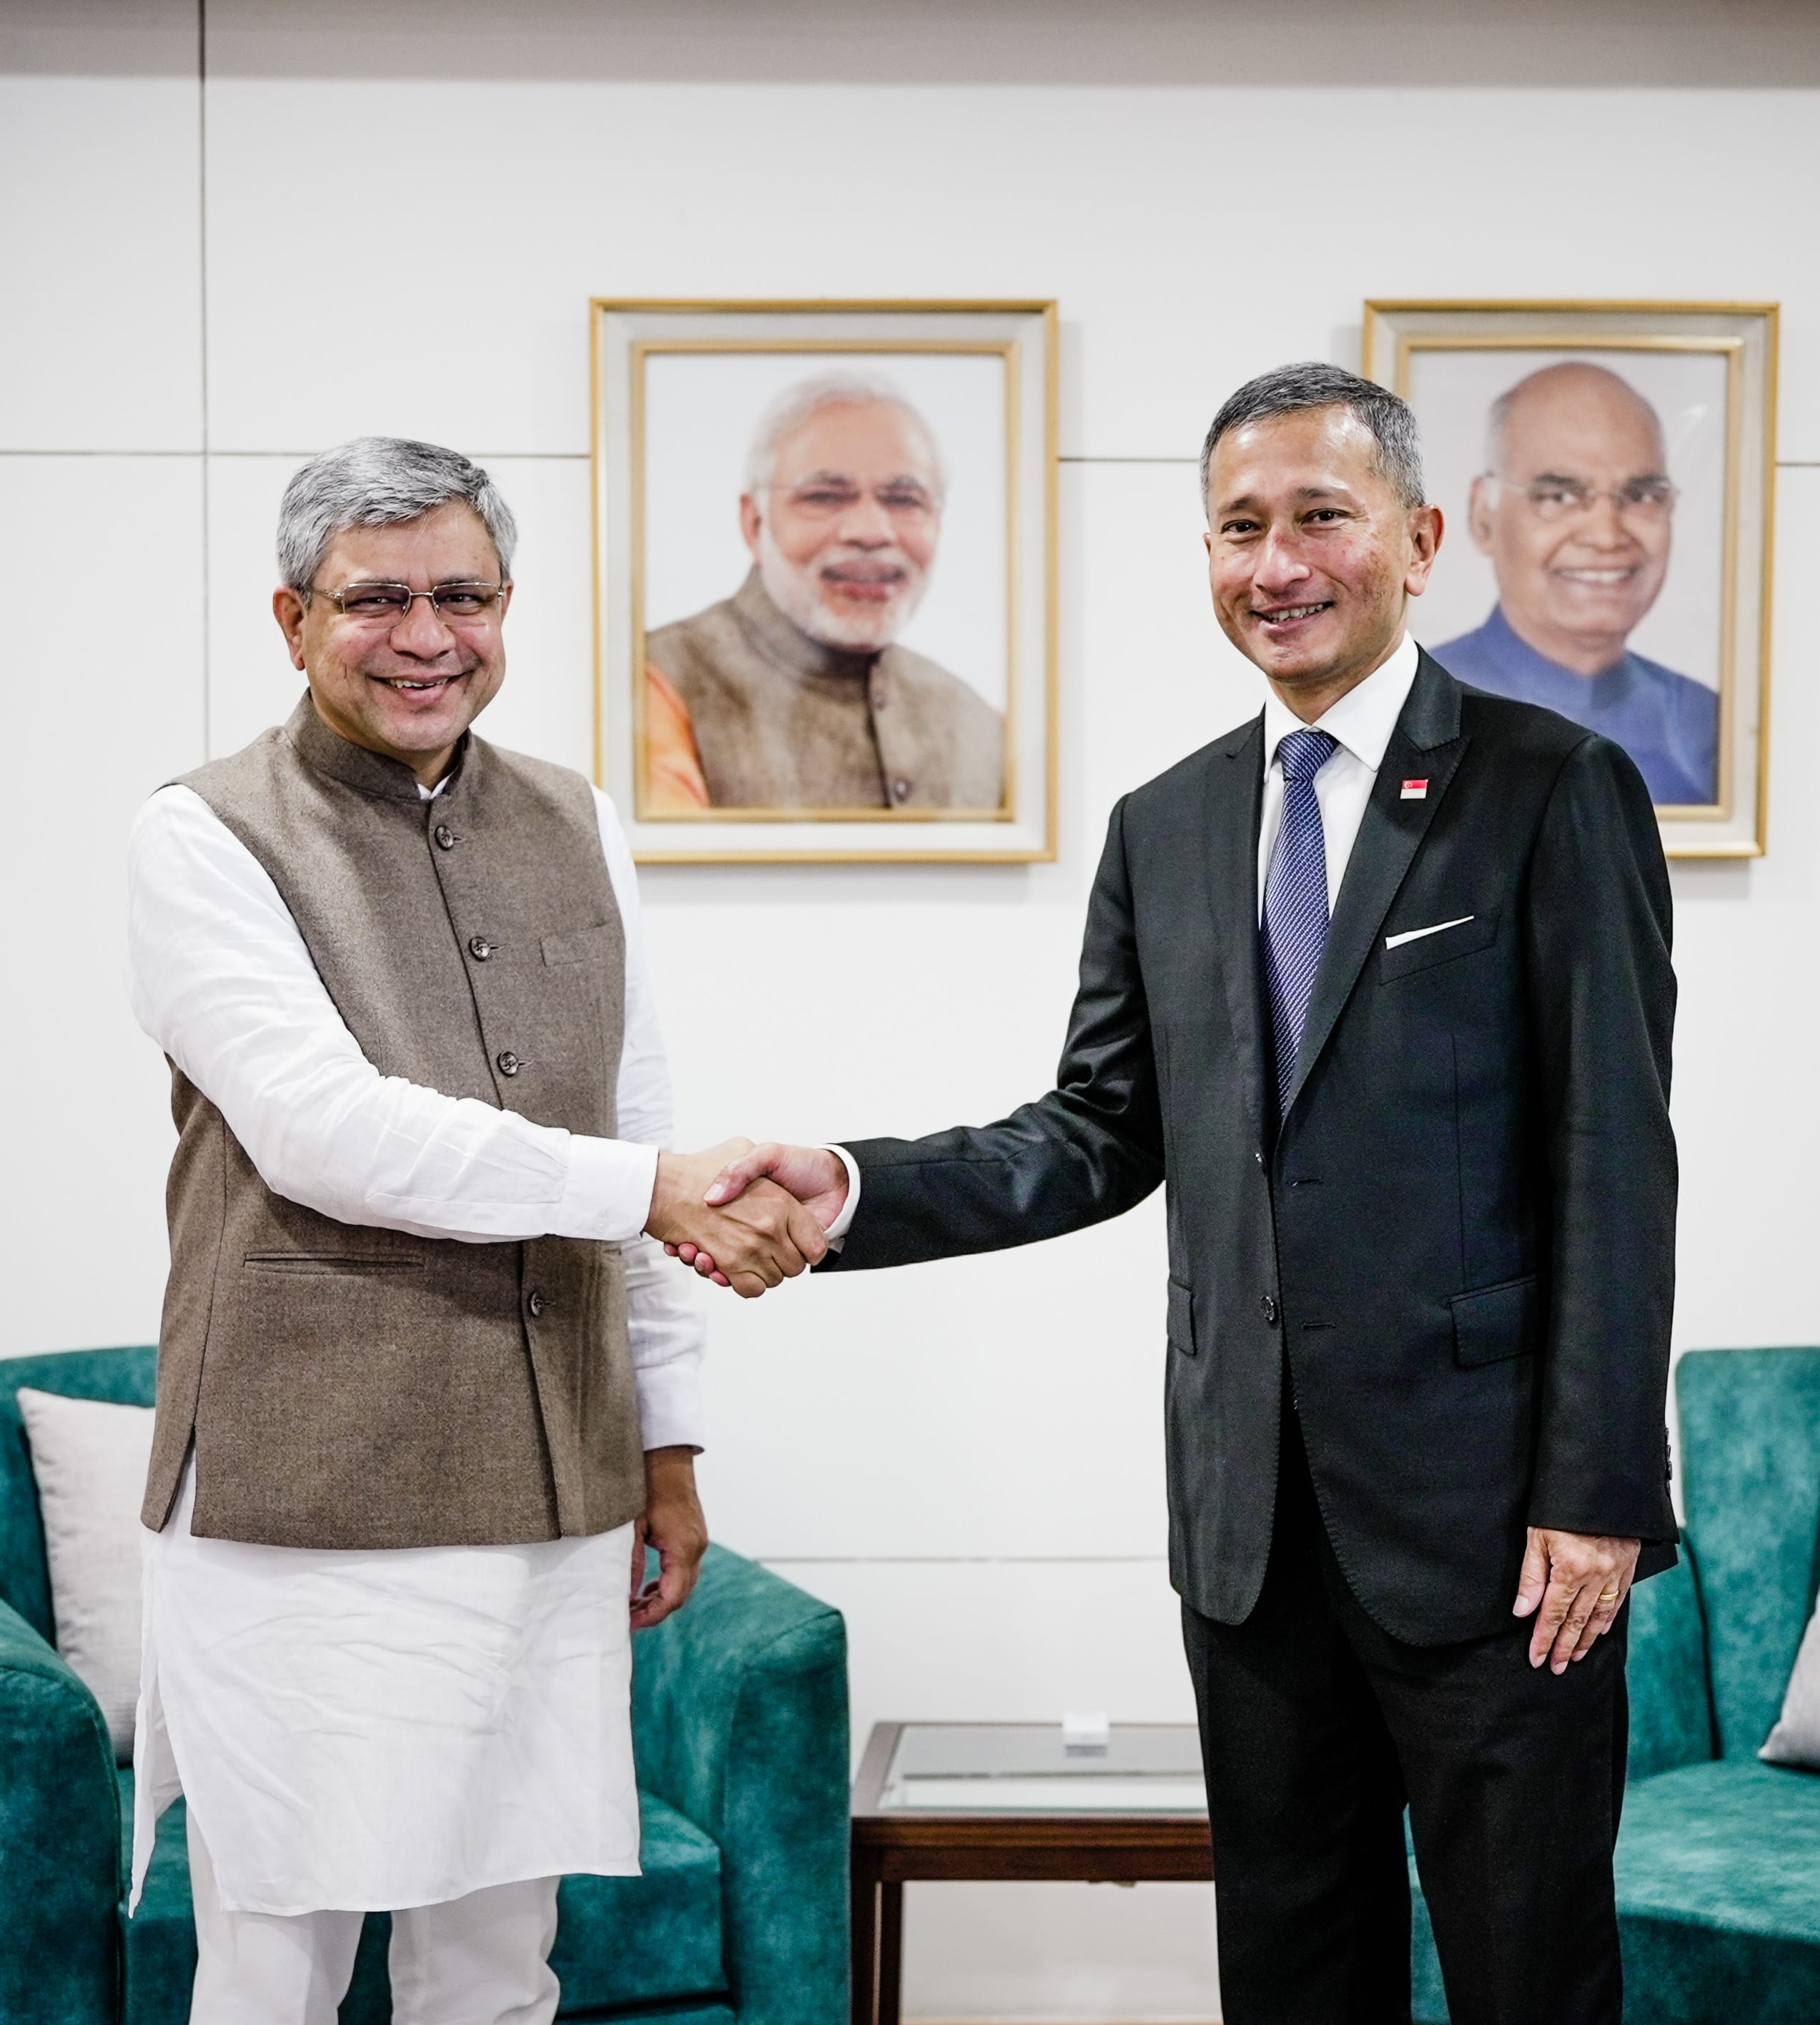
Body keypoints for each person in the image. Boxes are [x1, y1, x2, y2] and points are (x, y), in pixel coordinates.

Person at [682, 365, 1679, 2024]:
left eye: (1317, 517)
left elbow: (1611, 1161)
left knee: (1528, 1975)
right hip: (1248, 1531)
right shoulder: (1168, 824)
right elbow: (1089, 1131)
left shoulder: (1548, 789)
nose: (1272, 562)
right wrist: (846, 1186)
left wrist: (1594, 1492)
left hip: (1497, 1539)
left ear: (1419, 538)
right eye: (1235, 526)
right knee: (1287, 1973)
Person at [125, 435, 824, 2025]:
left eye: (465, 595)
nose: (428, 635)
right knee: (278, 1960)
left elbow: (643, 1122)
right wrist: (646, 1190)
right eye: (379, 600)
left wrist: (670, 1448)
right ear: (293, 618)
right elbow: (324, 1136)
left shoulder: (575, 818)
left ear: (508, 608)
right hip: (294, 1494)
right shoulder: (202, 834)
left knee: (502, 1963)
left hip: (551, 1485)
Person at [643, 372, 1004, 814]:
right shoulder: (655, 683)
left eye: (904, 500)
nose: (871, 532)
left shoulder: (981, 726)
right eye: (825, 496)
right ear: (754, 523)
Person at [1433, 359, 1718, 804]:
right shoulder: (1417, 708)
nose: (1606, 537)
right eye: (1560, 497)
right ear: (1483, 517)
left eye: (1641, 495)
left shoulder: (1708, 726)